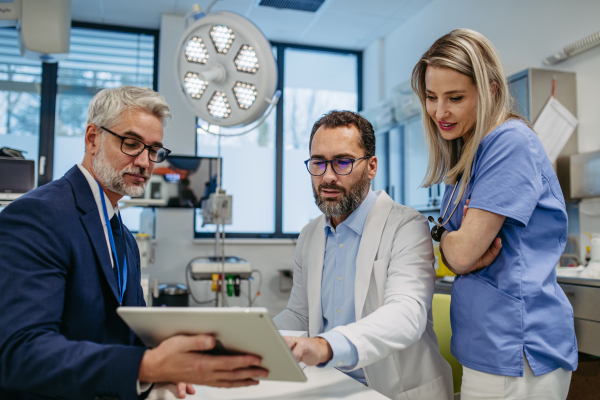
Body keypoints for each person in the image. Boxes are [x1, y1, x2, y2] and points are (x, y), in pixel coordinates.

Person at [0, 86, 267, 400]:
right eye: (131, 143)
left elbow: (127, 334)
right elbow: (21, 353)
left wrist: (166, 367)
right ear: (92, 138)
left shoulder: (123, 237)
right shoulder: (40, 215)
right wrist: (147, 365)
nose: (145, 162)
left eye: (154, 150)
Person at [411, 29, 577, 399]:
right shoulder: (470, 152)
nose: (440, 112)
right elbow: (458, 256)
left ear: (491, 91)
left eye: (455, 98)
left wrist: (446, 240)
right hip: (489, 343)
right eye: (431, 97)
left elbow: (463, 254)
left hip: (518, 348)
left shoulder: (509, 143)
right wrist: (454, 246)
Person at [274, 110, 453, 400]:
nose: (328, 176)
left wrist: (326, 346)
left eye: (343, 162)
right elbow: (299, 314)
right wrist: (256, 338)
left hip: (396, 392)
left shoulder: (406, 226)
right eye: (318, 162)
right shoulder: (310, 235)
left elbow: (406, 314)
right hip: (332, 385)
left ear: (371, 167)